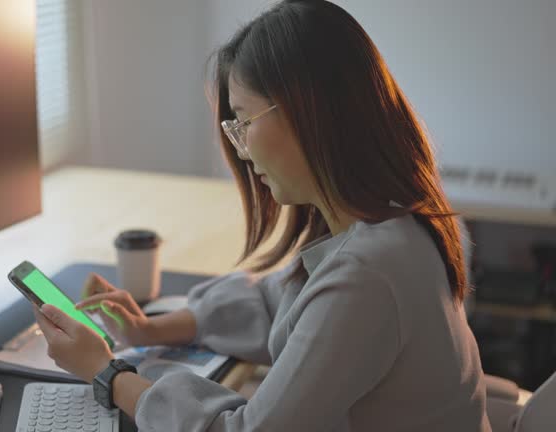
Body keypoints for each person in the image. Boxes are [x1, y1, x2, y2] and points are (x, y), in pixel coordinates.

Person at [32, 0, 491, 430]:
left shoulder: (368, 273)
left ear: (311, 112)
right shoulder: (393, 222)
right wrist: (151, 328)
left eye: (245, 122)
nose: (243, 151)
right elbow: (279, 300)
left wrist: (105, 372)